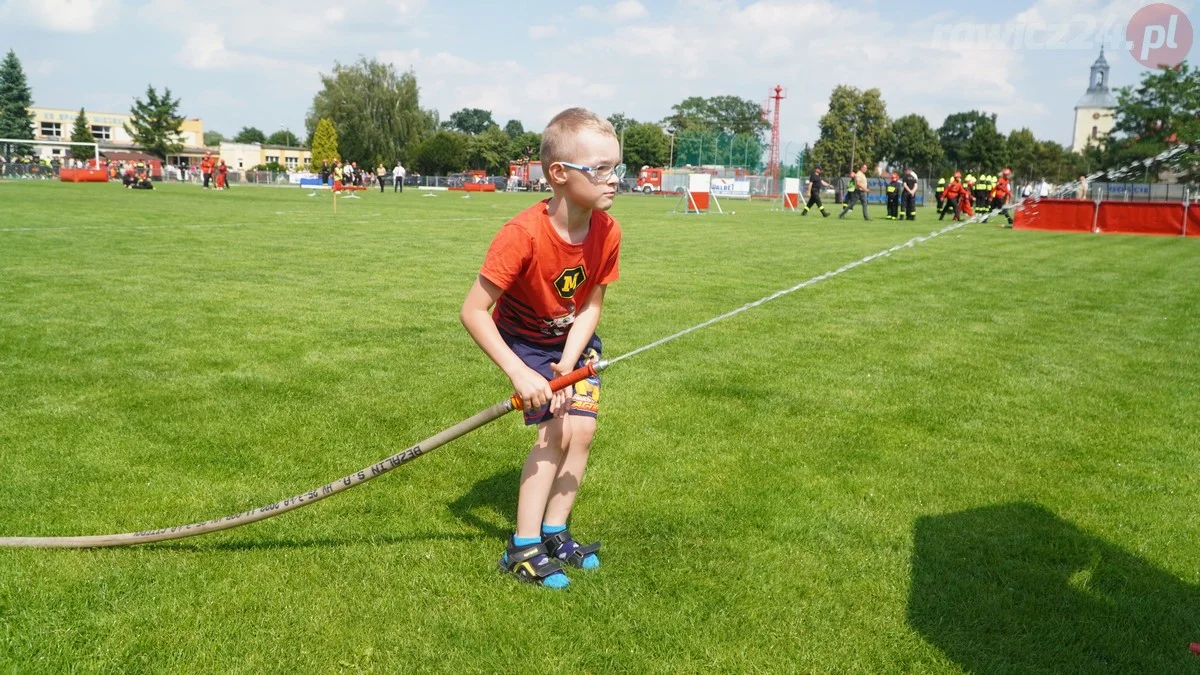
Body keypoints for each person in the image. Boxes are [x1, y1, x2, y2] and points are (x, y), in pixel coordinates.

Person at [460, 107, 622, 589]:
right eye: (600, 169)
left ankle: (556, 532)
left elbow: (591, 304)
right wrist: (522, 373)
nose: (614, 180)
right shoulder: (522, 235)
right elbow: (473, 312)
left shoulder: (608, 231)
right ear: (559, 173)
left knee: (582, 434)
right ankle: (522, 546)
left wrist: (568, 367)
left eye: (617, 167)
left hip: (571, 343)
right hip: (526, 344)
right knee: (554, 435)